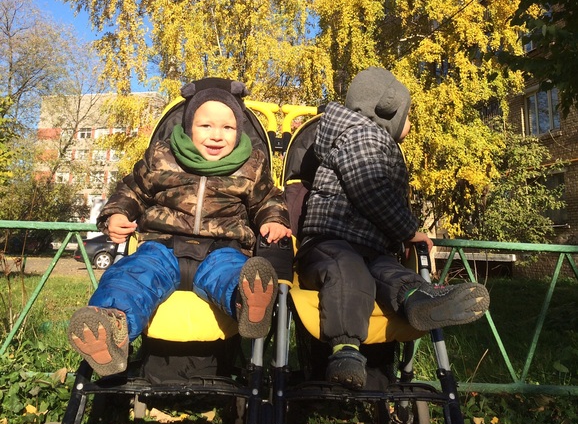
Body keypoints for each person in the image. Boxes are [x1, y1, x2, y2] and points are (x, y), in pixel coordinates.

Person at [68, 78, 292, 377]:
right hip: (162, 246)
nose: (217, 135)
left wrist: (274, 220)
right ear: (189, 127)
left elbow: (267, 199)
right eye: (205, 126)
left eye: (228, 127)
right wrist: (117, 214)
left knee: (232, 274)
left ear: (239, 131)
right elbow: (132, 190)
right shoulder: (162, 157)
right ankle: (111, 327)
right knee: (132, 277)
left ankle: (247, 303)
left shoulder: (251, 165)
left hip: (222, 247)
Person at [296, 67, 490, 390]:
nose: (410, 123)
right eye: (407, 115)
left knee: (390, 272)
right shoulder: (361, 135)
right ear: (386, 110)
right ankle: (345, 349)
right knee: (349, 271)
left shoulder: (370, 138)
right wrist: (408, 231)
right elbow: (371, 191)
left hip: (370, 248)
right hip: (329, 243)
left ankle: (419, 299)